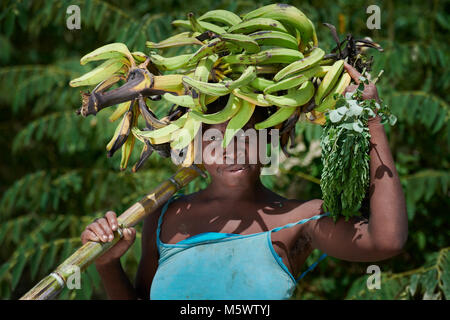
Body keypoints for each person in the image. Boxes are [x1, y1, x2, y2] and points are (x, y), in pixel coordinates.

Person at [81, 62, 408, 299]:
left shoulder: (300, 219)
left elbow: (386, 241)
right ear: (194, 147)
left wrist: (372, 120)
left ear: (270, 140)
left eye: (245, 134)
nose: (231, 150)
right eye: (214, 138)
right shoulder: (164, 215)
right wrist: (108, 264)